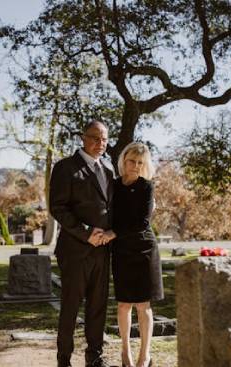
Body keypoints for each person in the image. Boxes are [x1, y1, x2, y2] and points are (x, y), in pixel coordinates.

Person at [50, 120, 114, 367]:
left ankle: (95, 357)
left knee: (98, 306)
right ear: (83, 138)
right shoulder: (65, 167)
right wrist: (87, 232)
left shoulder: (109, 168)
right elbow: (58, 207)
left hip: (102, 249)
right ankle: (64, 359)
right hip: (75, 249)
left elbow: (111, 209)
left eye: (105, 139)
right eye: (95, 138)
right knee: (70, 306)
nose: (101, 143)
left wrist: (110, 234)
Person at [101, 142, 164, 367]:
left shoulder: (147, 187)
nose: (135, 166)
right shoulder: (113, 185)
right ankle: (125, 353)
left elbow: (141, 222)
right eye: (131, 161)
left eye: (140, 162)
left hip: (144, 248)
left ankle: (144, 355)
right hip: (121, 250)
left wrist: (113, 232)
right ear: (123, 161)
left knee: (143, 305)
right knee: (123, 304)